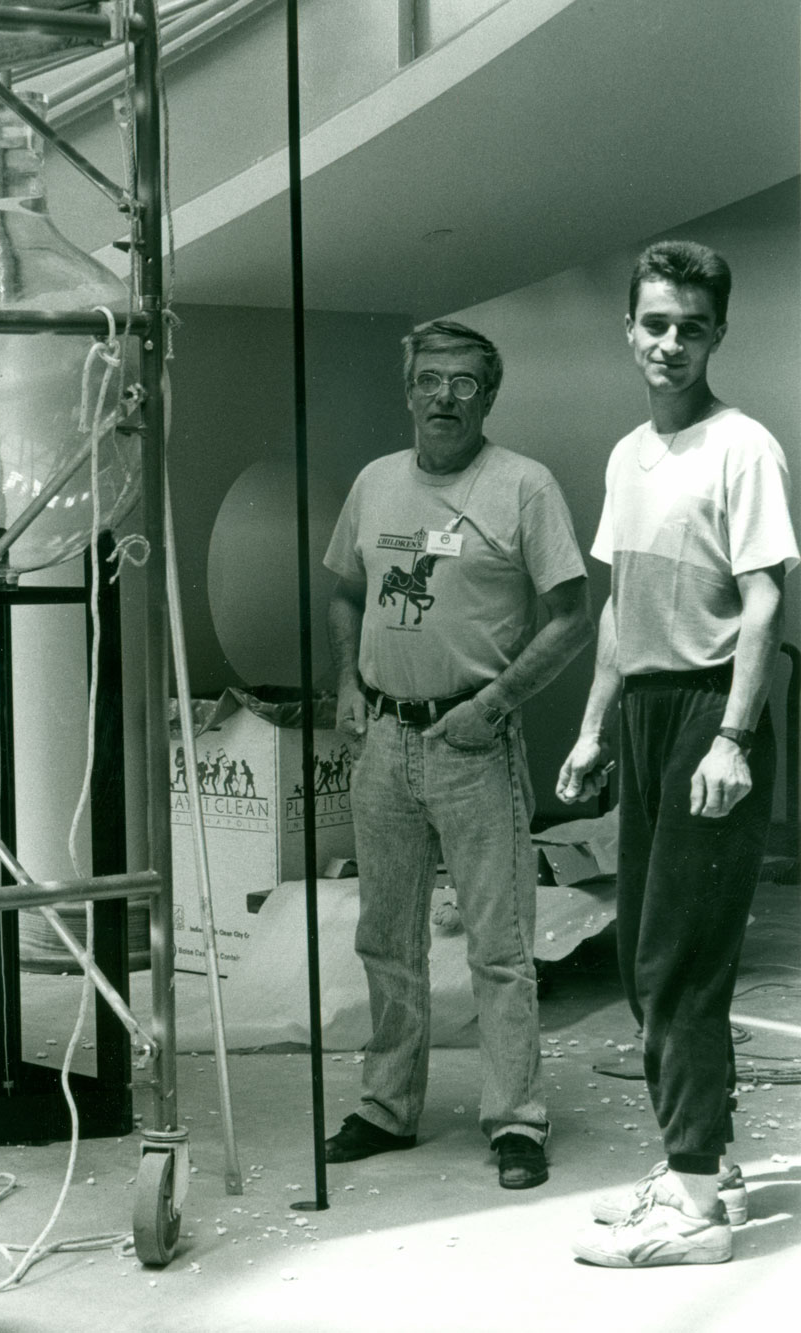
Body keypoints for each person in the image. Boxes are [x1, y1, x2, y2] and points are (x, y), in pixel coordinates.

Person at [558, 240, 798, 1265]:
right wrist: (588, 729)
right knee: (638, 957)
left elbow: (763, 600)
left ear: (716, 335)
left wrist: (735, 738)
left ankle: (695, 1211)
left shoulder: (742, 447)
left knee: (683, 960)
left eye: (688, 327)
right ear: (628, 328)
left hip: (711, 715)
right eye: (652, 323)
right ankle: (703, 1157)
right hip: (647, 715)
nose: (667, 342)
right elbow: (618, 606)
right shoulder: (627, 456)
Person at [323, 319, 591, 1189]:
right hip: (384, 741)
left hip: (472, 742)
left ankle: (515, 1117)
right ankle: (388, 1104)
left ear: (489, 396)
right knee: (385, 937)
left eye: (464, 383)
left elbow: (570, 616)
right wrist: (348, 688)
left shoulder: (525, 486)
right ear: (408, 391)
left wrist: (495, 704)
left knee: (499, 943)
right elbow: (344, 595)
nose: (444, 396)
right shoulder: (374, 483)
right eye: (430, 380)